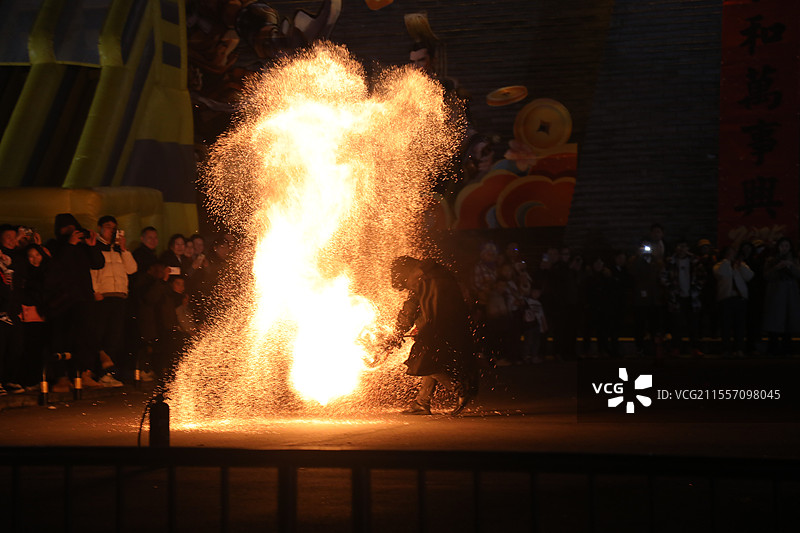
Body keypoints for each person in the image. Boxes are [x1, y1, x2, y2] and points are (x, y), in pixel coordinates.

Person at [385, 256, 478, 416]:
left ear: (409, 273)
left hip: (440, 327)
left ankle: (460, 388)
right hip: (452, 324)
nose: (408, 288)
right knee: (430, 361)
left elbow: (424, 310)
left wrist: (404, 332)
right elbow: (414, 307)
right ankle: (422, 402)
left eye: (405, 283)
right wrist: (402, 331)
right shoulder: (432, 274)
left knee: (421, 360)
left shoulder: (426, 279)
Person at [91, 215, 137, 385]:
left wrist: (124, 249)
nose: (111, 230)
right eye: (108, 227)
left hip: (120, 296)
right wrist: (95, 291)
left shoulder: (119, 249)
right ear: (100, 228)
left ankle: (108, 372)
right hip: (104, 295)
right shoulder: (95, 247)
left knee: (115, 335)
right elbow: (93, 271)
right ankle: (100, 371)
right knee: (101, 333)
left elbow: (132, 269)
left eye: (114, 227)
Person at [762, 237, 800, 356]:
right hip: (775, 292)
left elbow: (798, 274)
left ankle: (787, 347)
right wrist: (777, 267)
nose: (784, 248)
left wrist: (790, 266)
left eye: (786, 246)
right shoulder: (771, 260)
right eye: (782, 246)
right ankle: (773, 347)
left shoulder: (794, 260)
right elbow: (766, 276)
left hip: (790, 293)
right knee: (774, 319)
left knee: (788, 319)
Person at [714, 246, 754, 357]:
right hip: (726, 297)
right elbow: (723, 273)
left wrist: (740, 265)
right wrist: (727, 261)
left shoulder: (740, 265)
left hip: (740, 298)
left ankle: (739, 348)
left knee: (739, 325)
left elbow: (749, 276)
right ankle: (726, 348)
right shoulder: (719, 265)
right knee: (726, 325)